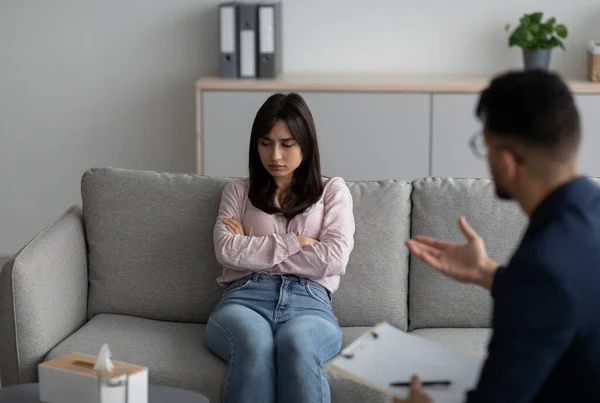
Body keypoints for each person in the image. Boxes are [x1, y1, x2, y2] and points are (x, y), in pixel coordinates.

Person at [396, 70, 600, 402]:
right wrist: (488, 274)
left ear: (506, 162)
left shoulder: (541, 265)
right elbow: (569, 301)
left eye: (485, 146)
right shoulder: (590, 211)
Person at [204, 92, 355, 403]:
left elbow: (335, 258)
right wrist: (298, 242)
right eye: (265, 143)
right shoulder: (238, 191)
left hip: (310, 303)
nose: (275, 155)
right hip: (244, 298)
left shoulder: (332, 191)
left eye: (287, 144)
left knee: (298, 345)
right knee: (253, 343)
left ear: (306, 145)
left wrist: (253, 249)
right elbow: (226, 250)